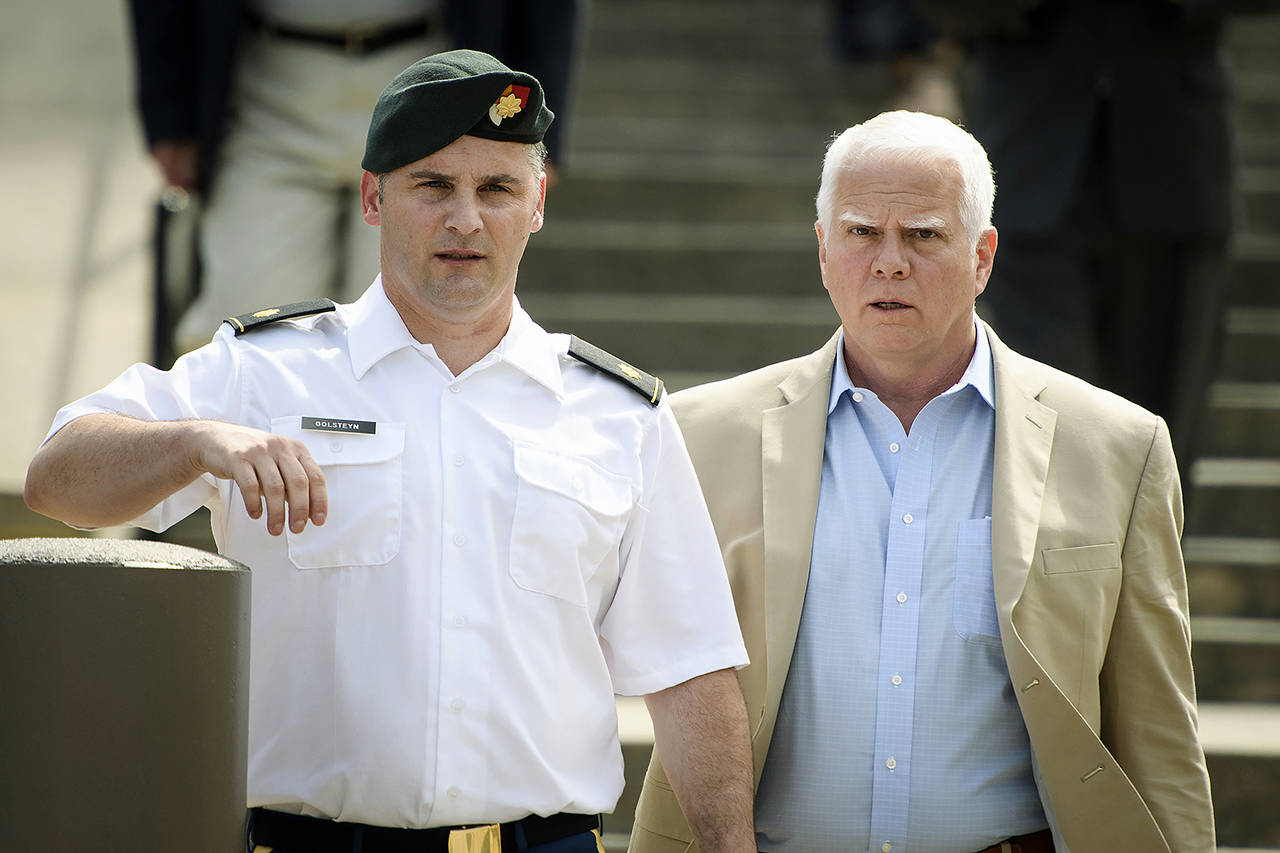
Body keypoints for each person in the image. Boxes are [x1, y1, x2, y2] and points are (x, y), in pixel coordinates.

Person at [26, 50, 756, 853]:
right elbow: (57, 478)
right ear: (375, 196)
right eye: (434, 185)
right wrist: (196, 441)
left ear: (538, 203)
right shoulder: (264, 371)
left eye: (497, 188)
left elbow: (690, 673)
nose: (466, 219)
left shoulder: (619, 415)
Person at [629, 111, 1213, 853]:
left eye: (925, 235)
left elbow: (1159, 734)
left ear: (983, 256)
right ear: (822, 250)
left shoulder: (1118, 449)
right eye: (862, 232)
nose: (890, 261)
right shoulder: (700, 435)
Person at [128, 0, 449, 357]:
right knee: (248, 333)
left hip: (429, 80)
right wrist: (168, 111)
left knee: (413, 336)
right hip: (270, 83)